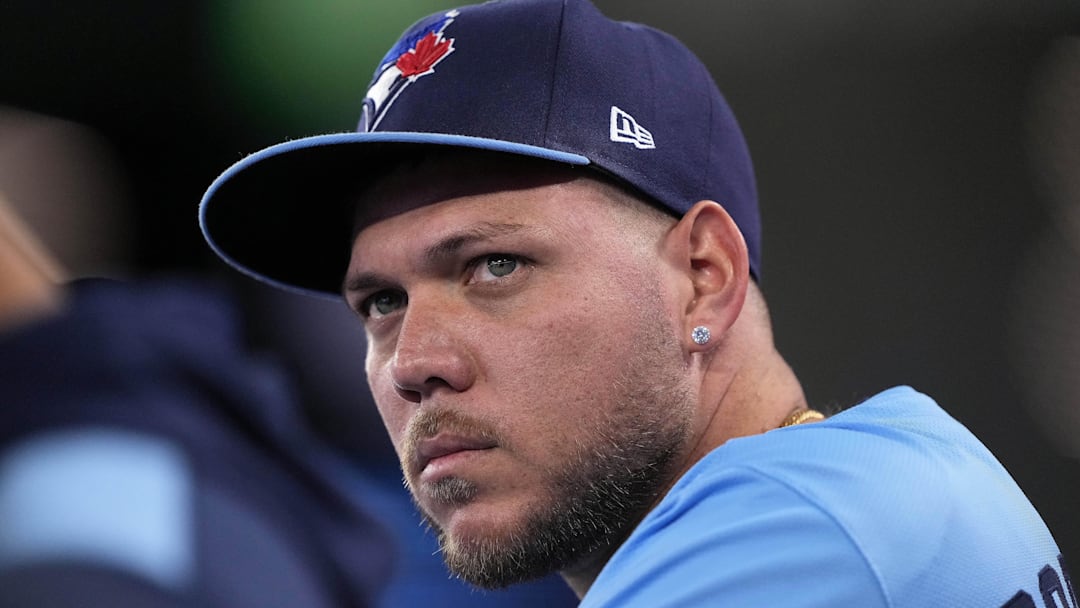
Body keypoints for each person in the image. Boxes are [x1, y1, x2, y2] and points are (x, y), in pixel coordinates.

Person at [198, 0, 1074, 605]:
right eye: (381, 301)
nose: (416, 361)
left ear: (704, 275)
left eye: (494, 266)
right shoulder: (887, 469)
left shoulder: (784, 539)